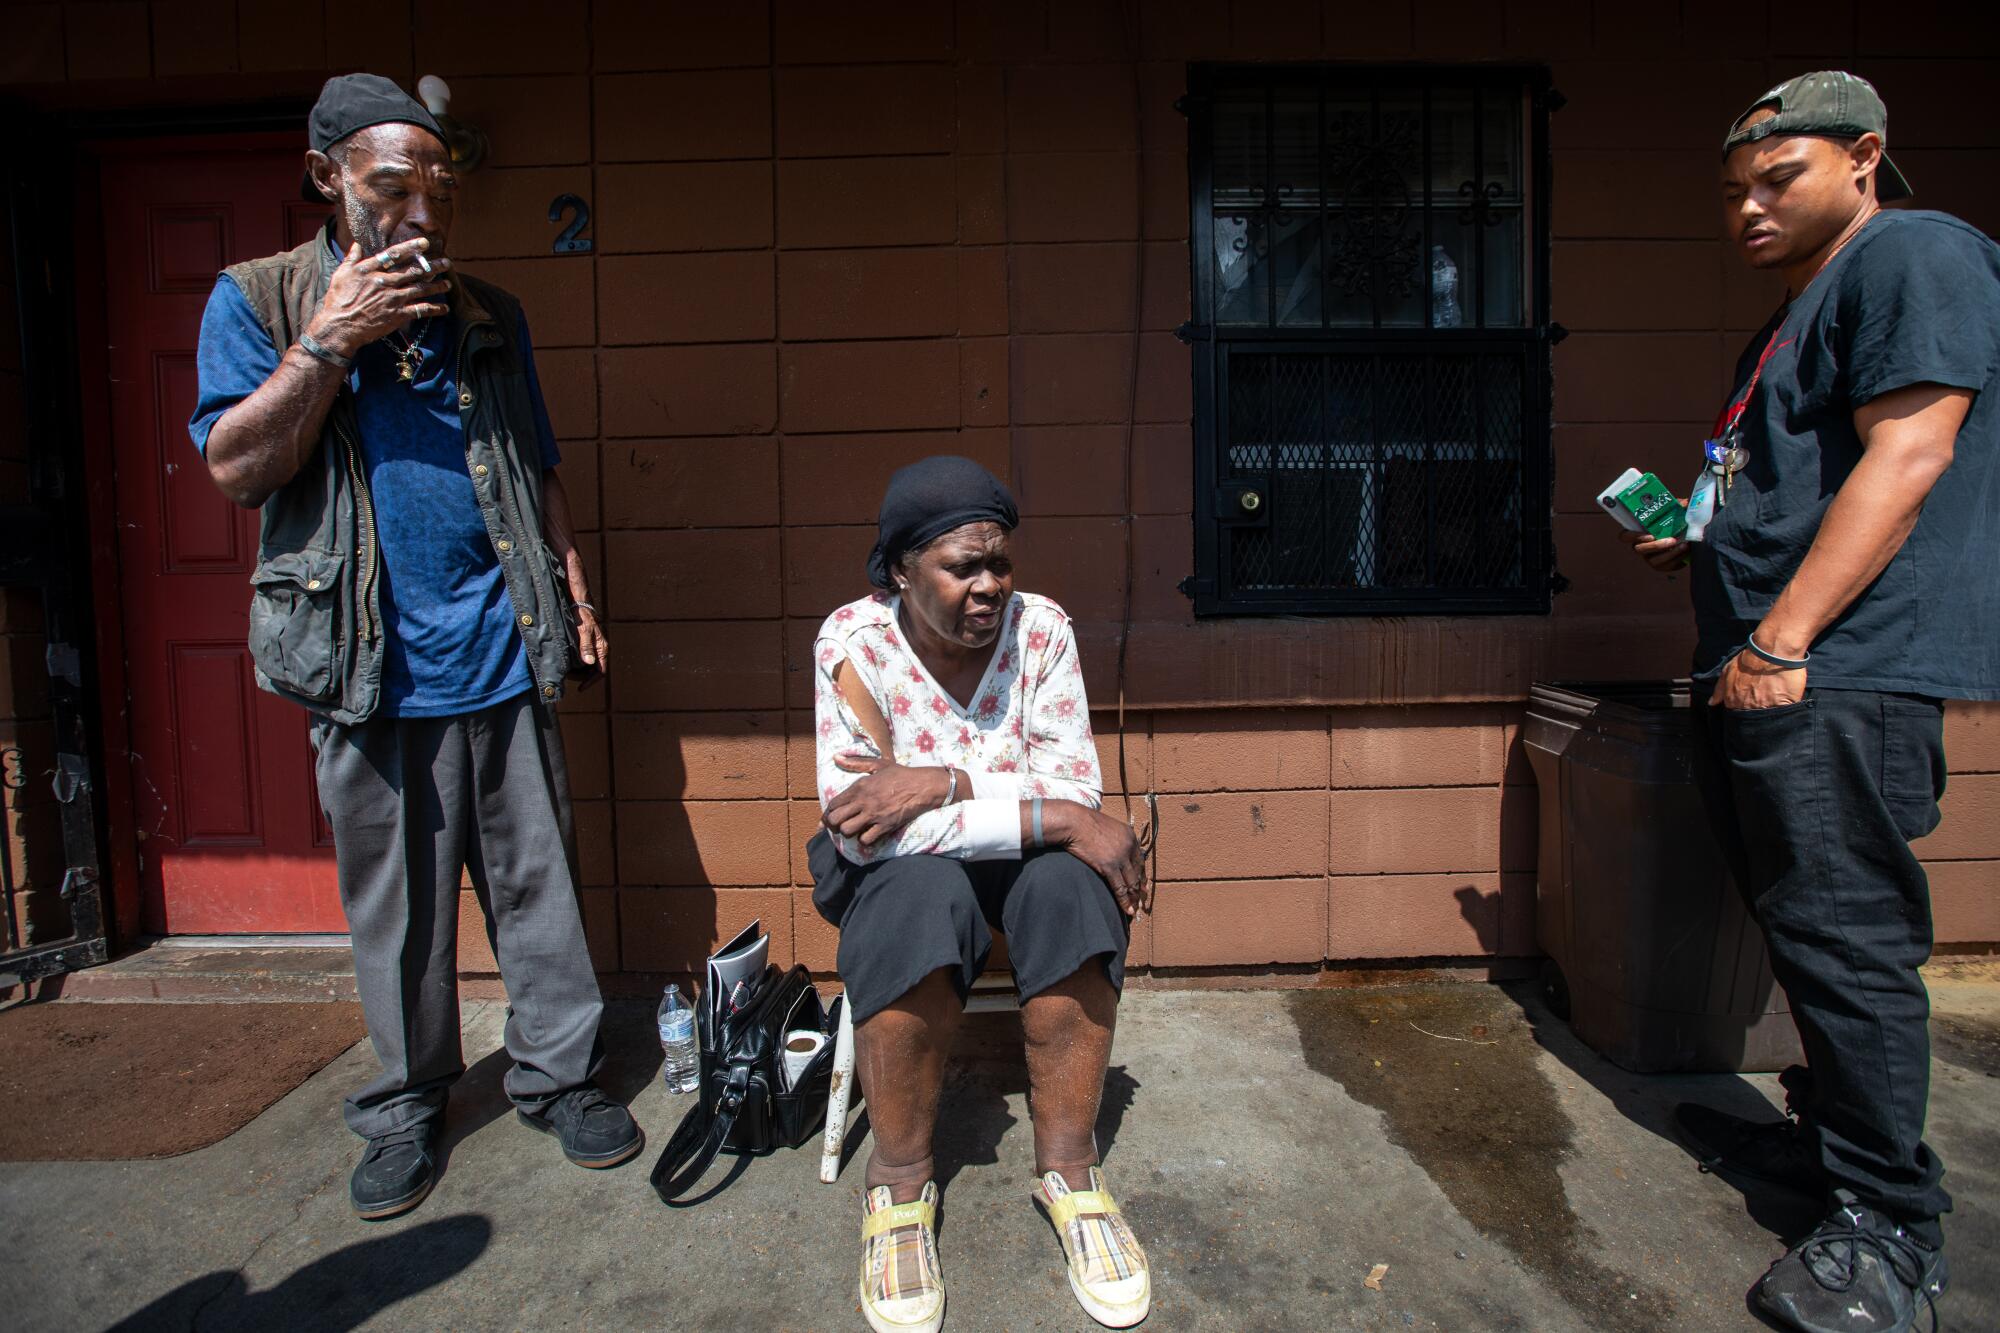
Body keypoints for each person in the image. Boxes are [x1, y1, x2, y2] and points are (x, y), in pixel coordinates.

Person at [188, 75, 641, 1220]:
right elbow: (238, 468)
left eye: (441, 187)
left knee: (539, 888)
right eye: (395, 185)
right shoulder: (256, 299)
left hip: (501, 644)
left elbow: (534, 462)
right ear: (325, 176)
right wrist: (329, 342)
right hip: (367, 663)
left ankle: (562, 1075)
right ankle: (404, 1105)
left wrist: (573, 582)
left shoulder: (488, 312)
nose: (426, 214)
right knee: (397, 911)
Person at [1622, 71, 1998, 1333]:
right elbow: (1792, 476)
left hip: (1833, 672)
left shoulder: (1912, 255)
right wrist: (1701, 537)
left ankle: (1889, 1235)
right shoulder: (1800, 310)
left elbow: (1911, 451)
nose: (1747, 207)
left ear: (1864, 157)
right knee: (1797, 930)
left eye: (1776, 177)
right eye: (1733, 190)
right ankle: (1835, 1155)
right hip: (1764, 665)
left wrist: (1780, 635)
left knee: (1846, 945)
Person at [808, 456, 1152, 1333]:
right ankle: (898, 1191)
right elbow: (871, 830)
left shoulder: (1042, 632)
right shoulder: (852, 644)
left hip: (1012, 850)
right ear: (901, 569)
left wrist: (939, 783)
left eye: (1000, 563)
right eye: (964, 566)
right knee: (920, 898)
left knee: (1074, 893)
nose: (991, 584)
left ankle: (1072, 1172)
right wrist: (1040, 809)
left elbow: (1077, 790)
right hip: (895, 874)